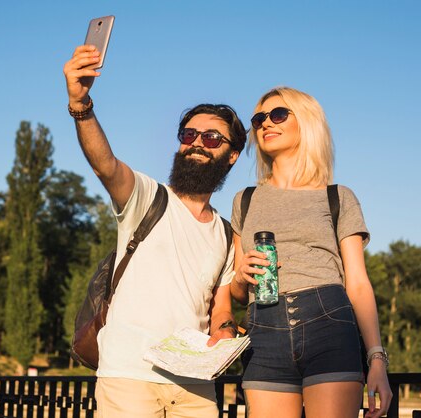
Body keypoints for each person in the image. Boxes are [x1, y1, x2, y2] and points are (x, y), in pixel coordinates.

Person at [63, 44, 247, 418]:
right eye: (189, 134)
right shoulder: (148, 198)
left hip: (195, 386)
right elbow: (106, 165)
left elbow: (221, 307)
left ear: (231, 155)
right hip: (128, 378)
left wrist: (226, 332)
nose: (196, 142)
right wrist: (81, 105)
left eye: (212, 138)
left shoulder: (228, 235)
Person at [230, 86, 392, 418]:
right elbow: (236, 291)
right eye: (259, 118)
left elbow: (358, 284)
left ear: (306, 123)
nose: (265, 124)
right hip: (263, 329)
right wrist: (241, 275)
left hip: (329, 325)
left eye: (277, 115)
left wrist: (376, 359)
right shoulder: (244, 200)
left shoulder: (338, 197)